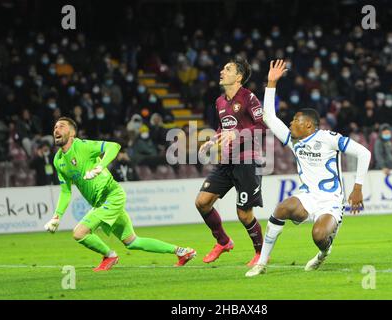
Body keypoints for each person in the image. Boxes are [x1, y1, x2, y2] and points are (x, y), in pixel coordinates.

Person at [246, 60, 371, 277]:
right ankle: (262, 263)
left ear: (308, 126)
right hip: (308, 196)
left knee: (319, 236)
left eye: (295, 120)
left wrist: (357, 188)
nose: (291, 123)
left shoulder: (328, 138)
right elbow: (269, 117)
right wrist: (271, 83)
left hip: (331, 201)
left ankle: (324, 252)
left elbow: (364, 153)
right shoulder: (294, 141)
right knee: (282, 208)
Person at [44, 117, 196, 271]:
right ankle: (182, 252)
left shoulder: (83, 146)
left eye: (61, 126)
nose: (56, 129)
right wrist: (57, 216)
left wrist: (99, 166)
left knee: (79, 233)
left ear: (72, 133)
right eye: (55, 126)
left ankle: (109, 256)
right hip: (100, 202)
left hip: (111, 195)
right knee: (132, 242)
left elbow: (114, 147)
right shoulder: (58, 160)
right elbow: (66, 191)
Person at [195, 57, 266, 266]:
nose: (222, 71)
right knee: (202, 202)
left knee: (244, 214)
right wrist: (212, 141)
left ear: (239, 77)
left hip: (247, 160)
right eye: (223, 68)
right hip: (226, 161)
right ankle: (223, 242)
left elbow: (262, 127)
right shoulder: (219, 101)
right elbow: (223, 128)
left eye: (228, 69)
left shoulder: (249, 98)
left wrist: (238, 135)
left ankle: (261, 253)